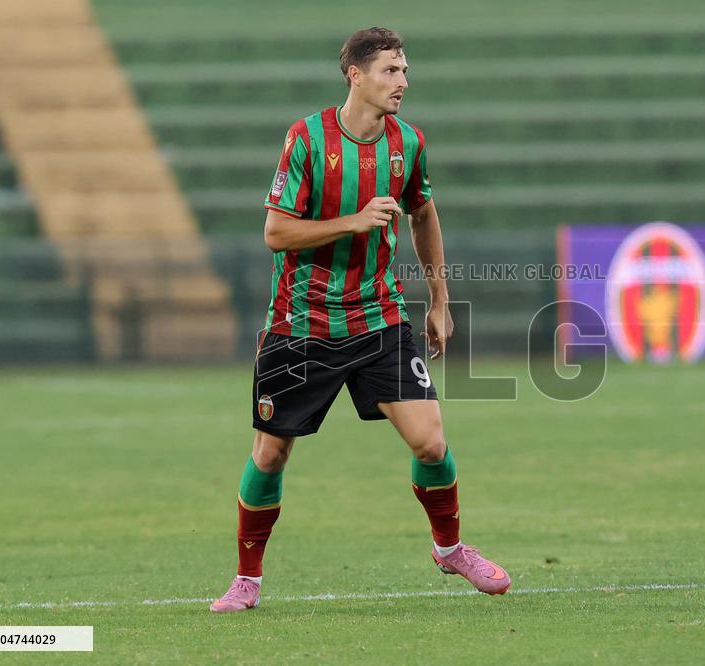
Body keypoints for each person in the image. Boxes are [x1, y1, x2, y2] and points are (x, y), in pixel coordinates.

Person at [211, 27, 510, 613]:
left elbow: (424, 214)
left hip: (379, 317)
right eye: (391, 70)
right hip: (301, 324)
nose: (402, 80)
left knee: (431, 442)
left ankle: (449, 547)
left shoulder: (409, 143)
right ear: (356, 75)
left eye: (404, 70)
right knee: (270, 455)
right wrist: (351, 221)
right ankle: (247, 579)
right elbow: (276, 232)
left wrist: (440, 300)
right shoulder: (307, 139)